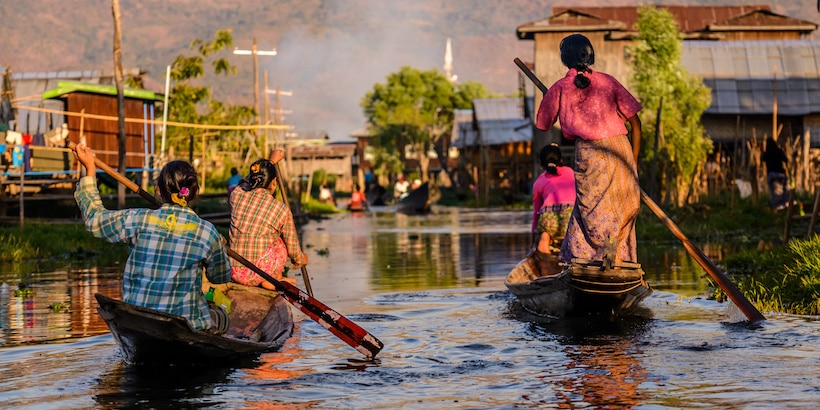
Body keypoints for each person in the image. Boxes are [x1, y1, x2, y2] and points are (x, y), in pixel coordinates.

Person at [73, 143, 232, 333]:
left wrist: (89, 169)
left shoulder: (138, 219)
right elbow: (220, 276)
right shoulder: (207, 232)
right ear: (194, 193)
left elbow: (95, 220)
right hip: (186, 324)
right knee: (223, 319)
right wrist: (220, 246)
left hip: (138, 319)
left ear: (158, 189)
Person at [535, 33, 643, 265]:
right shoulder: (608, 81)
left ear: (565, 60)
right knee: (622, 206)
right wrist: (632, 161)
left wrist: (551, 99)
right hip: (619, 149)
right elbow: (635, 123)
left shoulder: (560, 87)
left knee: (592, 212)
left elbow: (543, 124)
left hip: (590, 154)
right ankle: (616, 259)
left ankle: (589, 259)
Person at [229, 155, 308, 289]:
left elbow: (246, 181)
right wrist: (300, 260)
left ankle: (273, 279)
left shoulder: (236, 194)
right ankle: (274, 279)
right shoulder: (281, 209)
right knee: (279, 243)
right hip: (259, 275)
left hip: (234, 271)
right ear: (273, 182)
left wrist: (270, 162)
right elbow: (293, 248)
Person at [531, 143, 576, 269]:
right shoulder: (570, 172)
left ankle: (545, 266)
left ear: (541, 164)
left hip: (549, 218)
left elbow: (536, 212)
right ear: (560, 160)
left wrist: (534, 234)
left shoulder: (539, 182)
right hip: (570, 217)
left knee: (545, 237)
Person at [761, 137, 789, 210]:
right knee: (784, 190)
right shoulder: (779, 151)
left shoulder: (767, 153)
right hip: (781, 173)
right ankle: (784, 205)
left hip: (772, 174)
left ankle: (777, 206)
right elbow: (786, 160)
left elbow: (762, 159)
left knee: (776, 192)